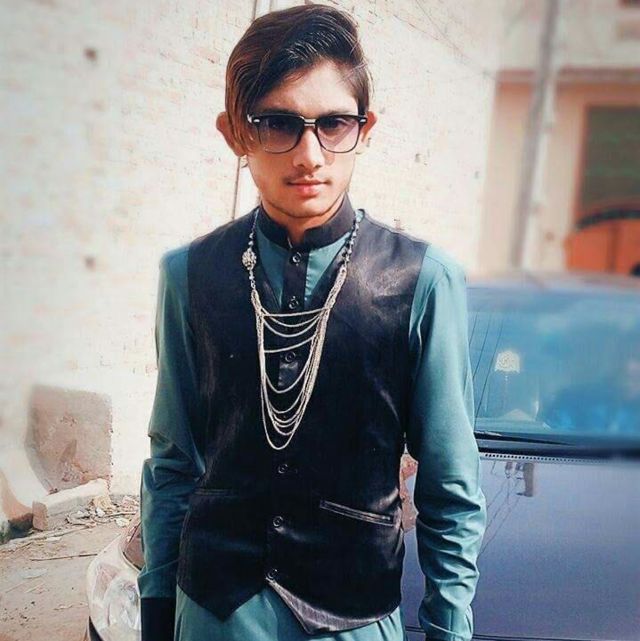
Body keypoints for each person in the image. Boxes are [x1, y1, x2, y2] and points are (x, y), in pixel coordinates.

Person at [137, 4, 487, 641]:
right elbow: (171, 464)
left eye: (333, 123)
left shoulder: (421, 280)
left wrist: (449, 627)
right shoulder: (189, 274)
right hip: (216, 614)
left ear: (365, 129)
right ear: (235, 134)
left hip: (354, 616)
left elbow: (451, 486)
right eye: (277, 124)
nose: (309, 154)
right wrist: (157, 614)